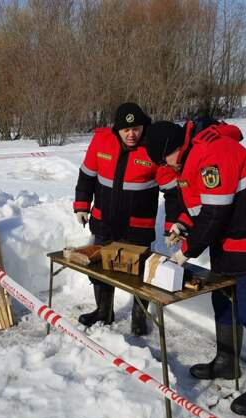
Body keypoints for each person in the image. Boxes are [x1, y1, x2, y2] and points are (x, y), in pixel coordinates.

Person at [144, 119, 246, 416]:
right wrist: (183, 225)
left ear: (174, 148)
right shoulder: (189, 159)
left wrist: (187, 251)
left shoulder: (214, 152)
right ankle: (226, 363)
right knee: (223, 302)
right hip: (229, 247)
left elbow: (215, 213)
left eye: (164, 160)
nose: (167, 167)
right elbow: (198, 206)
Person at [73, 103, 180, 335]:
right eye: (126, 130)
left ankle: (139, 318)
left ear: (143, 127)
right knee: (99, 268)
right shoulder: (101, 141)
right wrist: (82, 205)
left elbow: (173, 191)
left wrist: (173, 225)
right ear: (116, 129)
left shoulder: (153, 147)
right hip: (103, 221)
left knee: (140, 274)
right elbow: (87, 176)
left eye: (136, 129)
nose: (131, 134)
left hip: (137, 227)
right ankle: (103, 311)